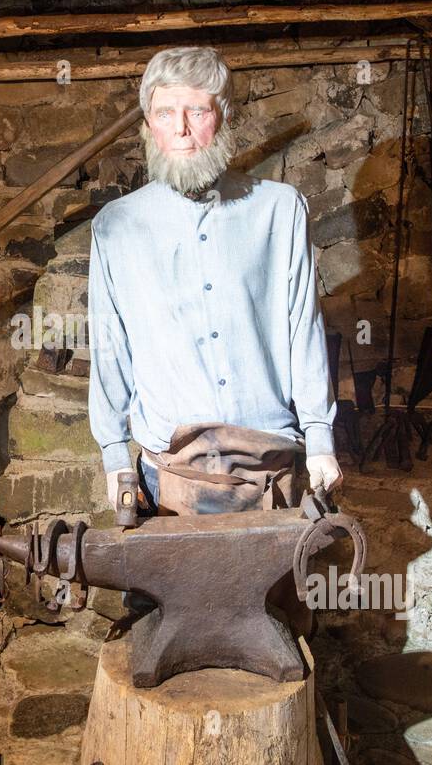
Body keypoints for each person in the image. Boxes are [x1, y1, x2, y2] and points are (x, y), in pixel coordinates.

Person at [87, 45, 342, 516]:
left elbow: (303, 329)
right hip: (171, 471)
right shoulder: (116, 226)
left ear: (222, 116)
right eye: (165, 113)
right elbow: (109, 346)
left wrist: (321, 439)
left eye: (196, 111)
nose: (181, 128)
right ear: (148, 124)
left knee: (280, 590)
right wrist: (114, 456)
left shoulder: (279, 210)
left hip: (269, 462)